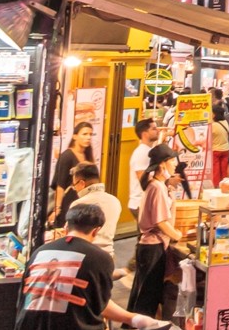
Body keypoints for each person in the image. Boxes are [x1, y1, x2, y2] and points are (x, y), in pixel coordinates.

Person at [13, 203, 163, 330]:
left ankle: (135, 319)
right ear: (96, 230)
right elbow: (99, 306)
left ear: (67, 226)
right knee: (103, 327)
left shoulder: (39, 252)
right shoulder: (100, 258)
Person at [129, 144, 184, 318]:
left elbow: (168, 219)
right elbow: (161, 222)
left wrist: (172, 197)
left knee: (145, 292)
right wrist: (176, 235)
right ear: (163, 164)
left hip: (153, 246)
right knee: (147, 296)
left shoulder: (159, 186)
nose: (175, 164)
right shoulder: (156, 187)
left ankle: (137, 328)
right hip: (152, 248)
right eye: (172, 160)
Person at [67, 162, 120, 260]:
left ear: (82, 183)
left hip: (84, 257)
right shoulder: (115, 201)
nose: (75, 189)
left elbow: (70, 234)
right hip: (108, 256)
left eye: (74, 185)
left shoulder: (78, 204)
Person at [51, 121, 95, 228]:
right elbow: (60, 184)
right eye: (84, 134)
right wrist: (57, 208)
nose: (88, 137)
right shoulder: (67, 156)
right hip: (68, 203)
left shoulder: (87, 155)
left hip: (83, 201)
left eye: (90, 134)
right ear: (75, 136)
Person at [127, 118, 162, 218]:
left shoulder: (147, 151)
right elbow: (143, 180)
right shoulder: (142, 153)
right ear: (145, 134)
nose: (158, 131)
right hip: (140, 203)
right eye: (154, 129)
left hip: (144, 203)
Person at [208, 105, 229, 187]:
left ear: (214, 114)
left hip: (216, 150)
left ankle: (216, 186)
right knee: (224, 170)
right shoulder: (225, 122)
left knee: (216, 170)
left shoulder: (213, 125)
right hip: (225, 149)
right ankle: (225, 185)